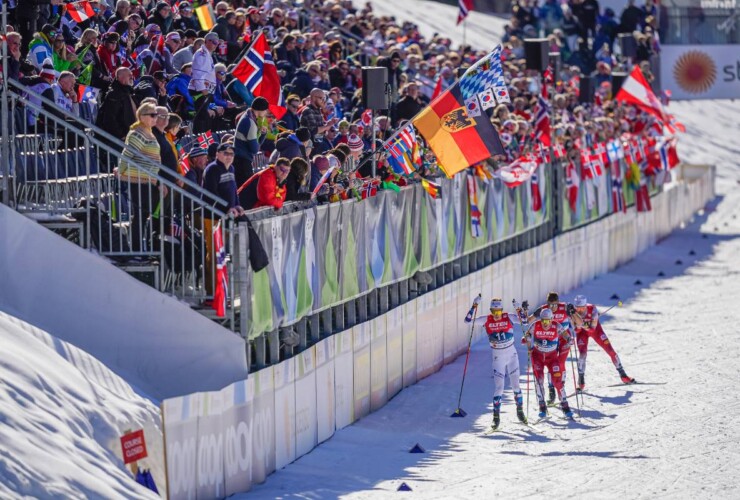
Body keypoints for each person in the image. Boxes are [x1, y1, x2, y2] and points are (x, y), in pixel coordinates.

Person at [117, 102, 165, 252]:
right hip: (137, 179)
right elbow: (127, 154)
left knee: (144, 215)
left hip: (148, 180)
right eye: (152, 115)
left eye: (156, 115)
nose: (155, 118)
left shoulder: (148, 131)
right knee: (139, 215)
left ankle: (139, 247)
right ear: (142, 116)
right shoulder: (138, 132)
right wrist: (120, 171)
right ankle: (136, 248)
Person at [201, 142, 244, 297]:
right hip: (212, 217)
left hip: (226, 218)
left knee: (223, 255)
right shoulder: (212, 169)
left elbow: (234, 190)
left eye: (231, 154)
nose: (229, 157)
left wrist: (237, 205)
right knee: (213, 256)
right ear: (218, 154)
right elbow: (210, 194)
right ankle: (211, 293)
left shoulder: (231, 168)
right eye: (226, 153)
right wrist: (227, 208)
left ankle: (222, 290)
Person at [570, 295, 635, 390]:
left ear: (585, 306)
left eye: (582, 308)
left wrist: (581, 323)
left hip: (597, 331)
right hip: (582, 334)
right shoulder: (573, 313)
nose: (579, 310)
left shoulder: (592, 308)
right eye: (577, 308)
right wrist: (580, 324)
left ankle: (624, 376)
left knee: (611, 351)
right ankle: (581, 381)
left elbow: (592, 329)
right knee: (582, 355)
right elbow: (577, 331)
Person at [482, 298, 527, 428]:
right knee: (499, 388)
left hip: (512, 356)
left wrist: (518, 308)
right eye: (494, 312)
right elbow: (467, 322)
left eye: (499, 311)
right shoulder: (486, 320)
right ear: (491, 311)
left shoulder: (509, 317)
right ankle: (496, 418)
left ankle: (520, 412)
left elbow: (524, 321)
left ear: (502, 310)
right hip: (498, 359)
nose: (497, 315)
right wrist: (474, 305)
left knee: (516, 386)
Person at [523, 308, 574, 419]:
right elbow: (527, 335)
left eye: (547, 321)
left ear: (551, 319)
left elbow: (565, 334)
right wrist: (527, 341)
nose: (545, 324)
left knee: (557, 381)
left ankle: (565, 406)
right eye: (543, 321)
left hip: (552, 358)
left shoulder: (556, 325)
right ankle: (542, 406)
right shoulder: (535, 325)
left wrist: (569, 339)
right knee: (539, 381)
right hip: (538, 357)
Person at [234, 96, 270, 188]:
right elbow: (254, 149)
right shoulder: (250, 122)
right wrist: (262, 136)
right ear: (261, 110)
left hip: (239, 159)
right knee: (246, 189)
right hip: (243, 161)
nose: (266, 113)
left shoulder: (247, 115)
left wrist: (262, 134)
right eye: (266, 110)